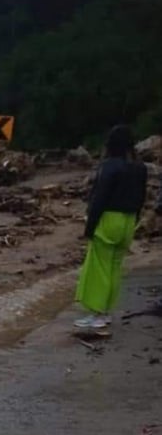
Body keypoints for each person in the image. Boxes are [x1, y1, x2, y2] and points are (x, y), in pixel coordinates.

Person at [74, 124, 147, 330]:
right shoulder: (139, 167)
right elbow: (142, 197)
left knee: (100, 267)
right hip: (129, 220)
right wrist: (135, 220)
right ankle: (106, 312)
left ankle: (97, 313)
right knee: (115, 267)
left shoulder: (110, 166)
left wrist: (90, 227)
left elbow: (99, 198)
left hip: (109, 220)